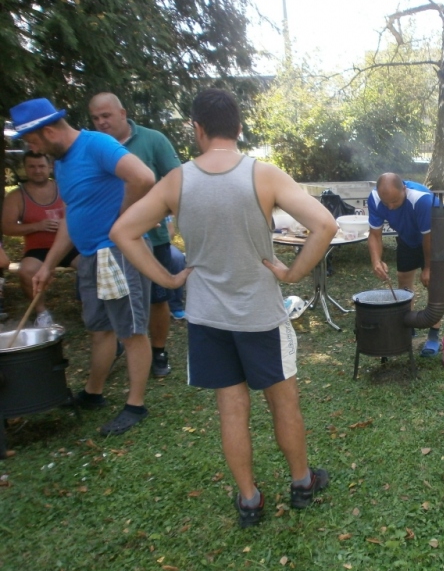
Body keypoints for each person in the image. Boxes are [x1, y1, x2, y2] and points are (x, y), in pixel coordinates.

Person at [110, 88, 338, 528]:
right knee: (283, 404)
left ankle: (250, 500)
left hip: (206, 317)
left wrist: (170, 279)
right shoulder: (264, 175)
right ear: (237, 128)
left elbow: (123, 231)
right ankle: (302, 483)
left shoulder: (177, 180)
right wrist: (290, 274)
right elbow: (325, 224)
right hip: (260, 314)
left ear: (197, 129)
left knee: (231, 409)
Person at [10, 97, 156, 436]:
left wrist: (123, 222)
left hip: (117, 255)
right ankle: (93, 394)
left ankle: (136, 405)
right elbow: (71, 217)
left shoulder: (96, 144)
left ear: (49, 131)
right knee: (100, 328)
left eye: (33, 142)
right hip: (90, 256)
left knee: (131, 330)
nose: (34, 151)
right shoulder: (62, 163)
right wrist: (47, 265)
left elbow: (143, 177)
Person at [89, 93, 181, 377]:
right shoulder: (92, 146)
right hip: (105, 240)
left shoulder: (152, 140)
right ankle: (123, 344)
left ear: (122, 113)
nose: (102, 122)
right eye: (95, 118)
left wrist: (164, 214)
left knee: (156, 297)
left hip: (151, 237)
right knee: (112, 296)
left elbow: (177, 178)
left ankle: (158, 350)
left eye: (106, 116)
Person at [367, 173, 444, 356]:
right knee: (403, 279)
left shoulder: (422, 200)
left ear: (404, 189)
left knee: (434, 283)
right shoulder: (374, 198)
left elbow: (428, 238)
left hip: (436, 232)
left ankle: (433, 336)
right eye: (386, 203)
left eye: (395, 201)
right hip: (407, 234)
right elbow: (374, 234)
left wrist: (428, 268)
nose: (390, 207)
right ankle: (408, 329)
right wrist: (376, 260)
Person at [2, 151, 80, 326]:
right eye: (32, 167)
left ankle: (91, 306)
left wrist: (67, 223)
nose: (37, 171)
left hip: (69, 245)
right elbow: (6, 227)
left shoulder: (64, 188)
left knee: (92, 264)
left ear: (50, 167)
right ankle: (41, 313)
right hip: (38, 249)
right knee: (26, 271)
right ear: (25, 168)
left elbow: (82, 214)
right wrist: (37, 226)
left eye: (41, 166)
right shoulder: (16, 196)